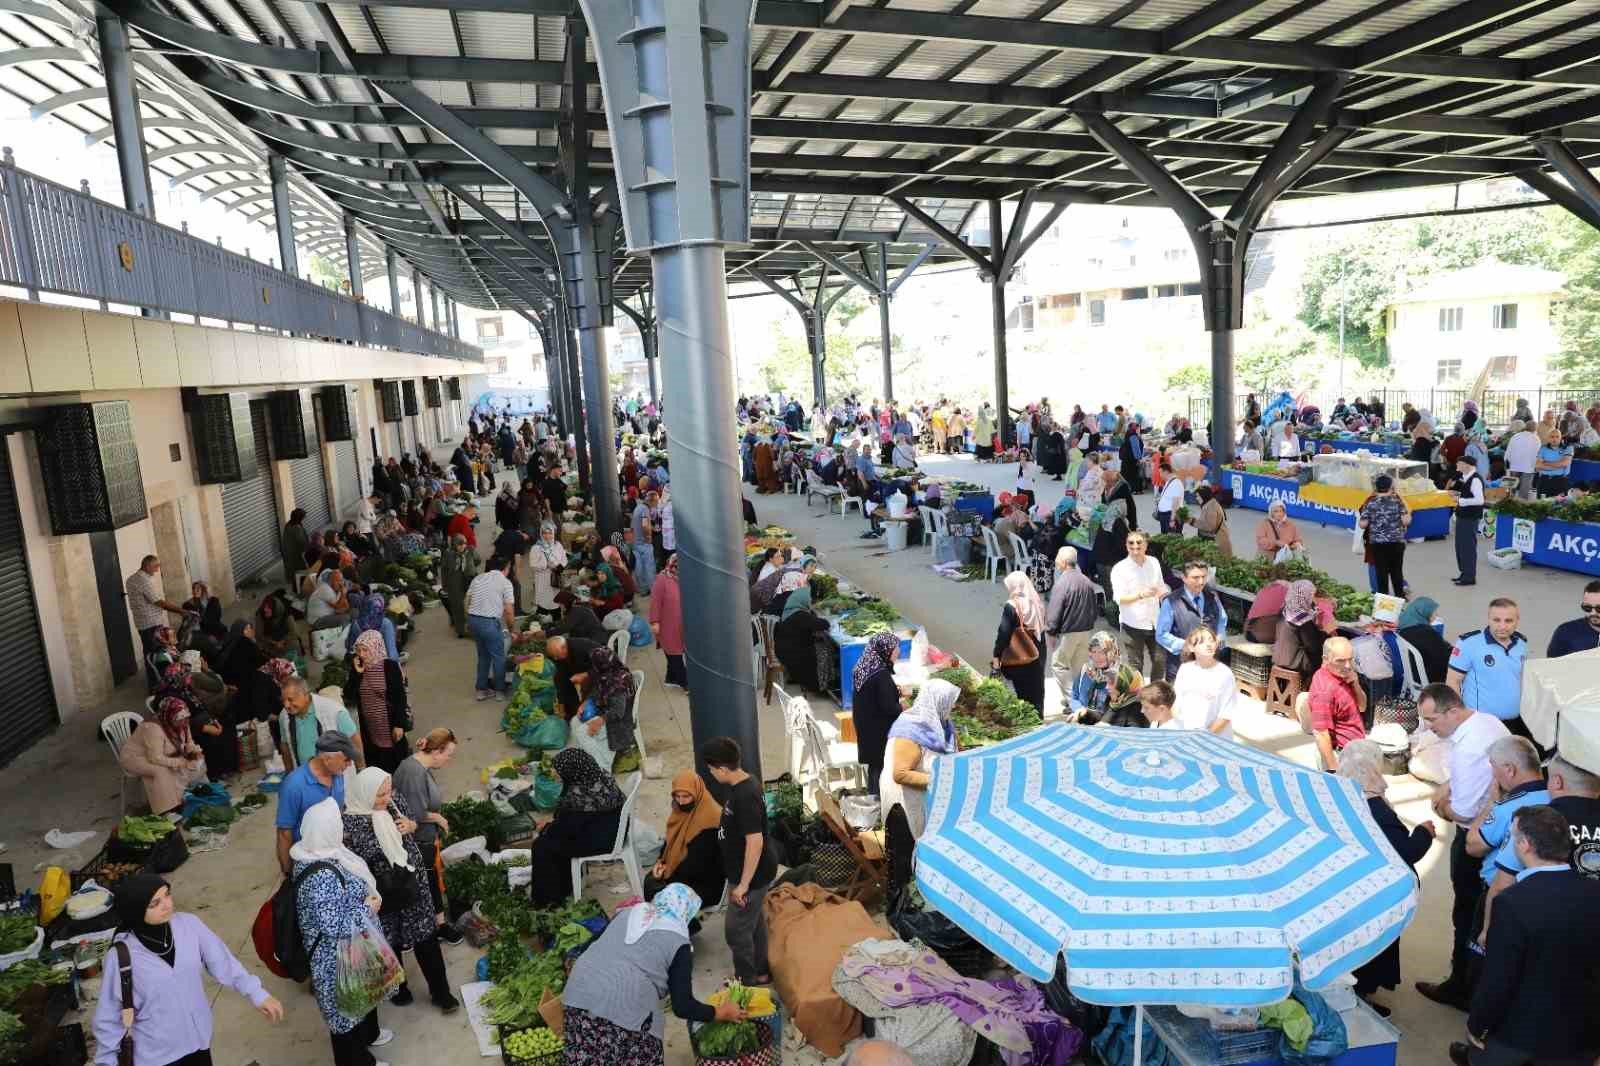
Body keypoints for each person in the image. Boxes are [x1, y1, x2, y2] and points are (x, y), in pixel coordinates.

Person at [1456, 805, 1600, 1066]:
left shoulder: (1512, 902)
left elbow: (1499, 979)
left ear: (1524, 845)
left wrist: (1478, 1024)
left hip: (1517, 1040)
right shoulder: (1594, 892)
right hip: (1579, 1038)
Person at [93, 874, 284, 1066]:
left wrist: (257, 993)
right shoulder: (121, 957)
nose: (166, 905)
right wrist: (106, 1061)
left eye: (167, 895)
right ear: (135, 910)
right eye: (155, 903)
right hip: (158, 1056)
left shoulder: (189, 925)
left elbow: (224, 962)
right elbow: (108, 1017)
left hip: (198, 1042)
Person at [562, 885, 747, 1066]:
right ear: (685, 913)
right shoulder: (679, 942)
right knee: (637, 1050)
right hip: (625, 1009)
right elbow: (683, 1006)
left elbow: (588, 947)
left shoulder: (628, 914)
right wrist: (720, 1012)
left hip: (576, 994)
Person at [1416, 684, 1511, 1011]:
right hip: (1499, 829)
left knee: (1467, 913)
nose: (1429, 727)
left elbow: (1464, 812)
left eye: (1432, 720)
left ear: (1452, 711)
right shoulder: (1487, 722)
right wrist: (1446, 786)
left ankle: (1461, 986)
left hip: (1475, 837)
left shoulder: (1468, 749)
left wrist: (1439, 807)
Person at [342, 768, 459, 1013]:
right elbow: (360, 856)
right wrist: (388, 830)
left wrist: (410, 825)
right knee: (390, 941)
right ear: (365, 793)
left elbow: (412, 823)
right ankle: (399, 988)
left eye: (388, 791)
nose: (387, 798)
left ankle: (441, 992)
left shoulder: (394, 800)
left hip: (412, 883)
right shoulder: (351, 821)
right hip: (383, 892)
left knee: (426, 937)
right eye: (381, 794)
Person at [1336, 740, 1436, 1018]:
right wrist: (1423, 832)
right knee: (1370, 948)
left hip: (1349, 888)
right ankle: (1359, 997)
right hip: (1376, 895)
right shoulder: (1376, 808)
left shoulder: (1338, 795)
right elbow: (1406, 851)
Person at [292, 799, 395, 1066]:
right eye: (337, 824)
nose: (342, 828)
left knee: (361, 997)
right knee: (345, 1016)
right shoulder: (319, 876)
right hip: (334, 957)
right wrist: (367, 908)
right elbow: (333, 925)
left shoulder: (323, 851)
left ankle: (368, 1037)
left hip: (353, 946)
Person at [701, 737, 776, 985]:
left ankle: (747, 980)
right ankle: (761, 969)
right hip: (744, 872)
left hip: (751, 876)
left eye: (711, 770)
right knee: (754, 923)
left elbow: (755, 843)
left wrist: (743, 884)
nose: (711, 774)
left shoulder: (746, 794)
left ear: (722, 768)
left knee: (736, 930)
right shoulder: (741, 784)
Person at [1468, 737, 1549, 964]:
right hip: (1539, 898)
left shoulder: (1509, 807)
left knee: (1482, 963)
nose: (1493, 776)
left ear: (1510, 770)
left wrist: (1492, 803)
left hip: (1500, 895)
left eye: (1493, 767)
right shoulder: (1555, 798)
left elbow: (1473, 846)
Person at [530, 749, 627, 906]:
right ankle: (565, 885)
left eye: (559, 770)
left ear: (572, 771)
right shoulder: (599, 777)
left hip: (602, 840)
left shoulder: (580, 795)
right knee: (551, 838)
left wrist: (547, 829)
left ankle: (547, 901)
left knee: (542, 846)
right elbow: (573, 822)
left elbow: (566, 829)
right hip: (612, 829)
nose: (555, 773)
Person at [392, 728, 460, 942]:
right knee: (425, 881)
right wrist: (438, 818)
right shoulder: (414, 773)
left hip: (424, 838)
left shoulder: (417, 764)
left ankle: (438, 922)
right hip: (417, 840)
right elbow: (415, 811)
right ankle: (431, 928)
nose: (449, 760)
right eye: (448, 754)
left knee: (429, 878)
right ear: (437, 751)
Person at [878, 679, 959, 839]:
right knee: (908, 857)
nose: (953, 706)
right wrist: (941, 779)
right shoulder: (910, 730)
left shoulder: (941, 724)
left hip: (927, 800)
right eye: (950, 702)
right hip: (907, 807)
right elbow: (900, 774)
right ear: (936, 702)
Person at [1447, 599, 1529, 740]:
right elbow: (1452, 681)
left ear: (1517, 620)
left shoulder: (1521, 643)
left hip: (1513, 723)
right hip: (1480, 724)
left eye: (1508, 621)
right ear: (1488, 619)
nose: (1502, 626)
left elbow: (1520, 678)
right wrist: (1460, 719)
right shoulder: (1469, 644)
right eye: (1496, 620)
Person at [275, 731, 356, 874]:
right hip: (310, 860)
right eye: (346, 759)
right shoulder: (294, 786)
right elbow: (284, 833)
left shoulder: (338, 775)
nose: (350, 764)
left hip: (334, 852)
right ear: (327, 758)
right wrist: (287, 872)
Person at [644, 771, 724, 904]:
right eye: (677, 796)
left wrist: (667, 872)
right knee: (651, 881)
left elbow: (698, 865)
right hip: (682, 872)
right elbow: (670, 842)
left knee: (658, 891)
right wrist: (661, 863)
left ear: (697, 793)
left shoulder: (710, 820)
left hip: (704, 883)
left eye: (686, 796)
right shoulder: (680, 812)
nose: (681, 801)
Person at [120, 697, 205, 816]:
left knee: (195, 761)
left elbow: (188, 741)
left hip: (159, 753)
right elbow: (155, 758)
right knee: (161, 770)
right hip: (135, 757)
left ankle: (182, 796)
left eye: (185, 719)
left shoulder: (182, 721)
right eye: (180, 720)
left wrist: (193, 753)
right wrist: (181, 762)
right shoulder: (153, 728)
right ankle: (167, 809)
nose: (184, 722)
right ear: (169, 716)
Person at [343, 631, 410, 774]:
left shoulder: (390, 667)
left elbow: (399, 697)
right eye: (358, 650)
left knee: (397, 762)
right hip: (370, 727)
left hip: (389, 724)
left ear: (376, 648)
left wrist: (399, 724)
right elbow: (349, 695)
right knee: (377, 763)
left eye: (365, 649)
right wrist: (357, 674)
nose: (361, 654)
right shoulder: (358, 669)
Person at [1155, 560, 1227, 682]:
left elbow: (1222, 619)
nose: (1201, 582)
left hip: (1208, 666)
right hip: (1181, 667)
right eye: (1195, 577)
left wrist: (1220, 634)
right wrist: (1186, 645)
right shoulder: (1171, 602)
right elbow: (1161, 635)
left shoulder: (1212, 596)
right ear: (1184, 578)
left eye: (1204, 577)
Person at [850, 631, 902, 796]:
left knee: (875, 766)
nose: (898, 652)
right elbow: (889, 707)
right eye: (895, 648)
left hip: (866, 727)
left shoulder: (865, 665)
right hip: (878, 731)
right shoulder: (881, 675)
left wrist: (894, 691)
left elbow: (873, 693)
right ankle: (879, 801)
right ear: (885, 650)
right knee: (880, 767)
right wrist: (904, 707)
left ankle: (873, 796)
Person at [1110, 532, 1167, 681]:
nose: (1135, 546)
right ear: (1126, 546)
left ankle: (1154, 694)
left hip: (1155, 621)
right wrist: (1141, 595)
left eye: (1139, 542)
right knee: (1135, 665)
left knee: (1160, 661)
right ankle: (1138, 698)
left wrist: (1168, 602)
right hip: (1132, 624)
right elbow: (1119, 598)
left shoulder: (1154, 562)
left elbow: (1161, 587)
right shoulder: (1119, 569)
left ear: (1146, 545)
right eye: (1131, 543)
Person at [1044, 546, 1099, 697]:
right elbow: (1094, 609)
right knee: (1079, 666)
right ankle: (1081, 696)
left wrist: (1051, 631)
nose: (1055, 561)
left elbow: (1054, 612)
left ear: (1063, 561)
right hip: (1086, 631)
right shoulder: (1086, 581)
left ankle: (1073, 698)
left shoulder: (1062, 583)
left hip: (1069, 632)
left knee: (1058, 664)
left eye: (1057, 558)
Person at [126, 555, 188, 689]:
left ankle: (154, 684)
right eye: (155, 567)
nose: (157, 570)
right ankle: (158, 686)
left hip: (142, 623)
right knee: (157, 656)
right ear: (147, 566)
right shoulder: (143, 580)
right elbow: (158, 602)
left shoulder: (131, 579)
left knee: (149, 654)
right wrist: (181, 611)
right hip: (151, 624)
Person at [278, 676, 363, 771]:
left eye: (290, 699)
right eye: (283, 700)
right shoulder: (284, 716)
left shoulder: (334, 711)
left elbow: (355, 741)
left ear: (306, 695)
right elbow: (285, 746)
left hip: (337, 775)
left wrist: (361, 768)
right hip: (304, 775)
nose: (286, 705)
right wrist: (289, 774)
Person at [1308, 636, 1367, 771]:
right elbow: (1321, 733)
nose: (1347, 666)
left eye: (1350, 659)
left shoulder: (1344, 676)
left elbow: (1362, 707)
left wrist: (1355, 685)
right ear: (1325, 660)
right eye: (1340, 661)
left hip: (1355, 748)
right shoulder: (1324, 690)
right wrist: (1334, 769)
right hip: (1342, 754)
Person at [992, 571, 1046, 713]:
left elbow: (1004, 633)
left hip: (1021, 657)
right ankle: (1038, 720)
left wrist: (996, 655)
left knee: (1022, 695)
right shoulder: (1035, 600)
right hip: (1037, 652)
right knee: (1036, 691)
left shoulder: (1012, 605)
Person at [465, 555, 516, 701]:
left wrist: (469, 620)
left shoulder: (478, 578)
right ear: (506, 568)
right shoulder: (505, 583)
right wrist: (512, 630)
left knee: (483, 655)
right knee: (499, 657)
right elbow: (509, 610)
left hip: (473, 619)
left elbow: (467, 600)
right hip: (489, 622)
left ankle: (481, 690)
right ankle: (499, 691)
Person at [1067, 631, 1145, 724]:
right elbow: (1074, 696)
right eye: (1094, 651)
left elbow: (1131, 711)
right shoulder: (1087, 670)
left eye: (1102, 652)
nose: (1097, 656)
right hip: (1085, 720)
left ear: (1113, 652)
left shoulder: (1126, 676)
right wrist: (1079, 710)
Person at [1173, 627, 1236, 739]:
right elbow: (1176, 703)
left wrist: (1206, 736)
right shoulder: (1185, 669)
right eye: (1202, 642)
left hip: (1215, 738)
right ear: (1191, 647)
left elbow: (1226, 714)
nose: (1208, 644)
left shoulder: (1225, 674)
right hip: (1186, 735)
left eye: (1211, 640)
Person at [772, 571, 829, 693]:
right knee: (823, 648)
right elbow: (823, 624)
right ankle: (820, 685)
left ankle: (799, 677)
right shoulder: (801, 616)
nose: (810, 602)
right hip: (792, 655)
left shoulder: (789, 610)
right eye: (809, 600)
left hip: (783, 650)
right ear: (803, 600)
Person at [578, 646, 636, 762]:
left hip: (619, 723)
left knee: (582, 733)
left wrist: (600, 720)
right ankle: (594, 757)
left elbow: (618, 712)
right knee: (575, 722)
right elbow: (597, 690)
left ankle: (603, 765)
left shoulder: (618, 683)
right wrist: (585, 702)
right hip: (606, 712)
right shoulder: (607, 674)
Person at [1359, 475, 1411, 596]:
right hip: (1396, 543)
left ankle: (1383, 604)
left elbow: (1362, 524)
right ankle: (1400, 599)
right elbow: (1406, 521)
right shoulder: (1397, 501)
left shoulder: (1371, 502)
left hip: (1378, 544)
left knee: (1381, 574)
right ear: (1390, 487)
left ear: (1376, 487)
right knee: (1397, 572)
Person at [1270, 579, 1326, 685]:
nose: (1312, 599)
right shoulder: (1303, 620)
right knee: (1322, 656)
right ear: (1305, 596)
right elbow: (1312, 646)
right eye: (1311, 595)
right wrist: (1321, 629)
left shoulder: (1284, 609)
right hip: (1294, 662)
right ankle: (1313, 689)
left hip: (1277, 657)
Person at [648, 552, 687, 691]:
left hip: (681, 624)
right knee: (674, 653)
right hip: (667, 625)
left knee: (675, 652)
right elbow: (655, 602)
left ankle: (671, 678)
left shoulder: (684, 579)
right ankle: (685, 683)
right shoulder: (662, 579)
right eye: (676, 567)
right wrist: (654, 622)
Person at [1398, 596, 1452, 684]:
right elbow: (1442, 657)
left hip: (1414, 673)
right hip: (1432, 677)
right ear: (1424, 613)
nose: (1436, 615)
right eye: (1434, 613)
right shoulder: (1427, 632)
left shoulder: (1404, 627)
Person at [1450, 455, 1486, 585]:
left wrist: (1460, 500)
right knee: (1460, 547)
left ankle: (1469, 577)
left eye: (1459, 463)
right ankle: (1464, 573)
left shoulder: (1475, 480)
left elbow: (1480, 500)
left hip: (1470, 518)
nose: (1457, 466)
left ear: (1467, 465)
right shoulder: (1464, 478)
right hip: (1462, 516)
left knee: (1468, 547)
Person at [439, 533, 480, 640]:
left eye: (464, 544)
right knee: (458, 606)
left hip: (469, 579)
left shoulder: (470, 550)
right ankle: (461, 630)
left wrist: (470, 568)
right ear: (454, 545)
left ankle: (474, 628)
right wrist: (445, 585)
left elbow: (477, 561)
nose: (462, 546)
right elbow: (444, 570)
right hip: (454, 582)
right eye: (459, 544)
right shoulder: (448, 554)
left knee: (472, 604)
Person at [1547, 579, 1600, 657]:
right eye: (1587, 608)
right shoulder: (1565, 632)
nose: (1593, 613)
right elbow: (1550, 664)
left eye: (1599, 608)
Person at [528, 523, 568, 619]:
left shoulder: (558, 545)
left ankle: (555, 626)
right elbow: (533, 565)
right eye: (544, 533)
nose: (547, 536)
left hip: (555, 579)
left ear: (554, 533)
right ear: (541, 534)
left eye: (550, 533)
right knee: (543, 603)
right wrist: (546, 565)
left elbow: (564, 559)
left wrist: (559, 567)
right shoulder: (536, 548)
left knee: (555, 602)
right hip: (542, 580)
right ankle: (542, 628)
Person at [1185, 484, 1233, 556]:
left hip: (1218, 541)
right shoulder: (1208, 504)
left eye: (1198, 496)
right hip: (1213, 540)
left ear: (1203, 496)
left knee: (1216, 564)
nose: (1196, 498)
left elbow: (1210, 526)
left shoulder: (1211, 507)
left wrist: (1192, 521)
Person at [1503, 421, 1540, 500]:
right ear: (1535, 429)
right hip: (1528, 468)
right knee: (1524, 492)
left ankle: (1508, 504)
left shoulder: (1515, 436)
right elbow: (1538, 454)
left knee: (1510, 490)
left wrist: (1507, 464)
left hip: (1514, 467)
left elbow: (1508, 452)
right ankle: (1521, 506)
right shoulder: (1536, 438)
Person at [1535, 427, 1574, 497]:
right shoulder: (1543, 448)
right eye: (1552, 437)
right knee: (1541, 504)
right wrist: (1558, 466)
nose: (1554, 439)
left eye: (1557, 436)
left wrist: (1545, 463)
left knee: (1560, 506)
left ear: (1561, 437)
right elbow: (1538, 465)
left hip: (1560, 480)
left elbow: (1565, 463)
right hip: (1544, 481)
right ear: (1548, 438)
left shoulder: (1568, 448)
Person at [283, 508, 310, 587]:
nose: (304, 518)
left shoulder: (289, 524)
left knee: (292, 569)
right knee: (299, 569)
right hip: (295, 553)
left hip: (289, 552)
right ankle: (299, 585)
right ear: (299, 518)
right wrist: (307, 549)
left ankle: (294, 582)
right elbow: (302, 541)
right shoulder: (296, 528)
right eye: (303, 517)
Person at [1155, 465, 1184, 534]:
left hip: (1170, 515)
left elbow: (1176, 502)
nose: (1160, 475)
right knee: (1165, 537)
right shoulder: (1169, 482)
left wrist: (1172, 519)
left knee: (1172, 538)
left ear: (1166, 472)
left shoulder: (1176, 483)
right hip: (1165, 515)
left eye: (1160, 472)